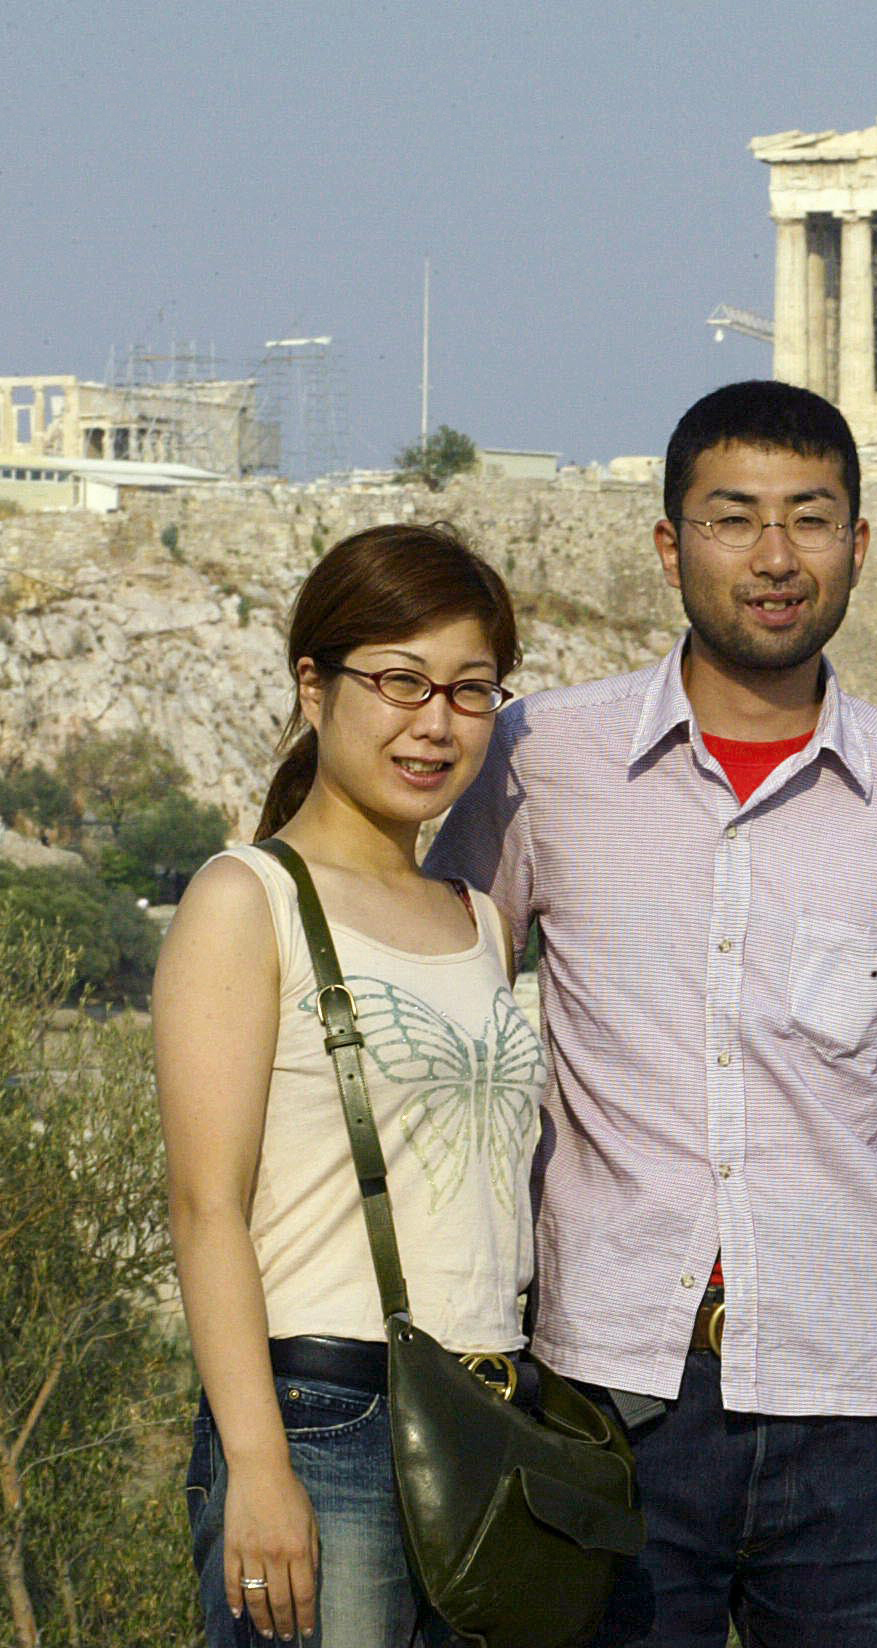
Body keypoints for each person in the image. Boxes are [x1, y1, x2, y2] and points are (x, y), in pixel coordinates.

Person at [428, 380, 877, 1648]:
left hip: (859, 1399)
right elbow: (440, 1001)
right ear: (669, 545)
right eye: (733, 518)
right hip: (611, 1391)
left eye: (809, 520)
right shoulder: (549, 759)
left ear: (858, 544)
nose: (774, 558)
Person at [157, 524, 536, 1648]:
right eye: (401, 682)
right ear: (314, 687)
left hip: (488, 1429)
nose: (435, 722)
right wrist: (262, 1467)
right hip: (324, 1420)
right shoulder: (248, 897)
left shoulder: (481, 919)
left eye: (470, 691)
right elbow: (204, 1206)